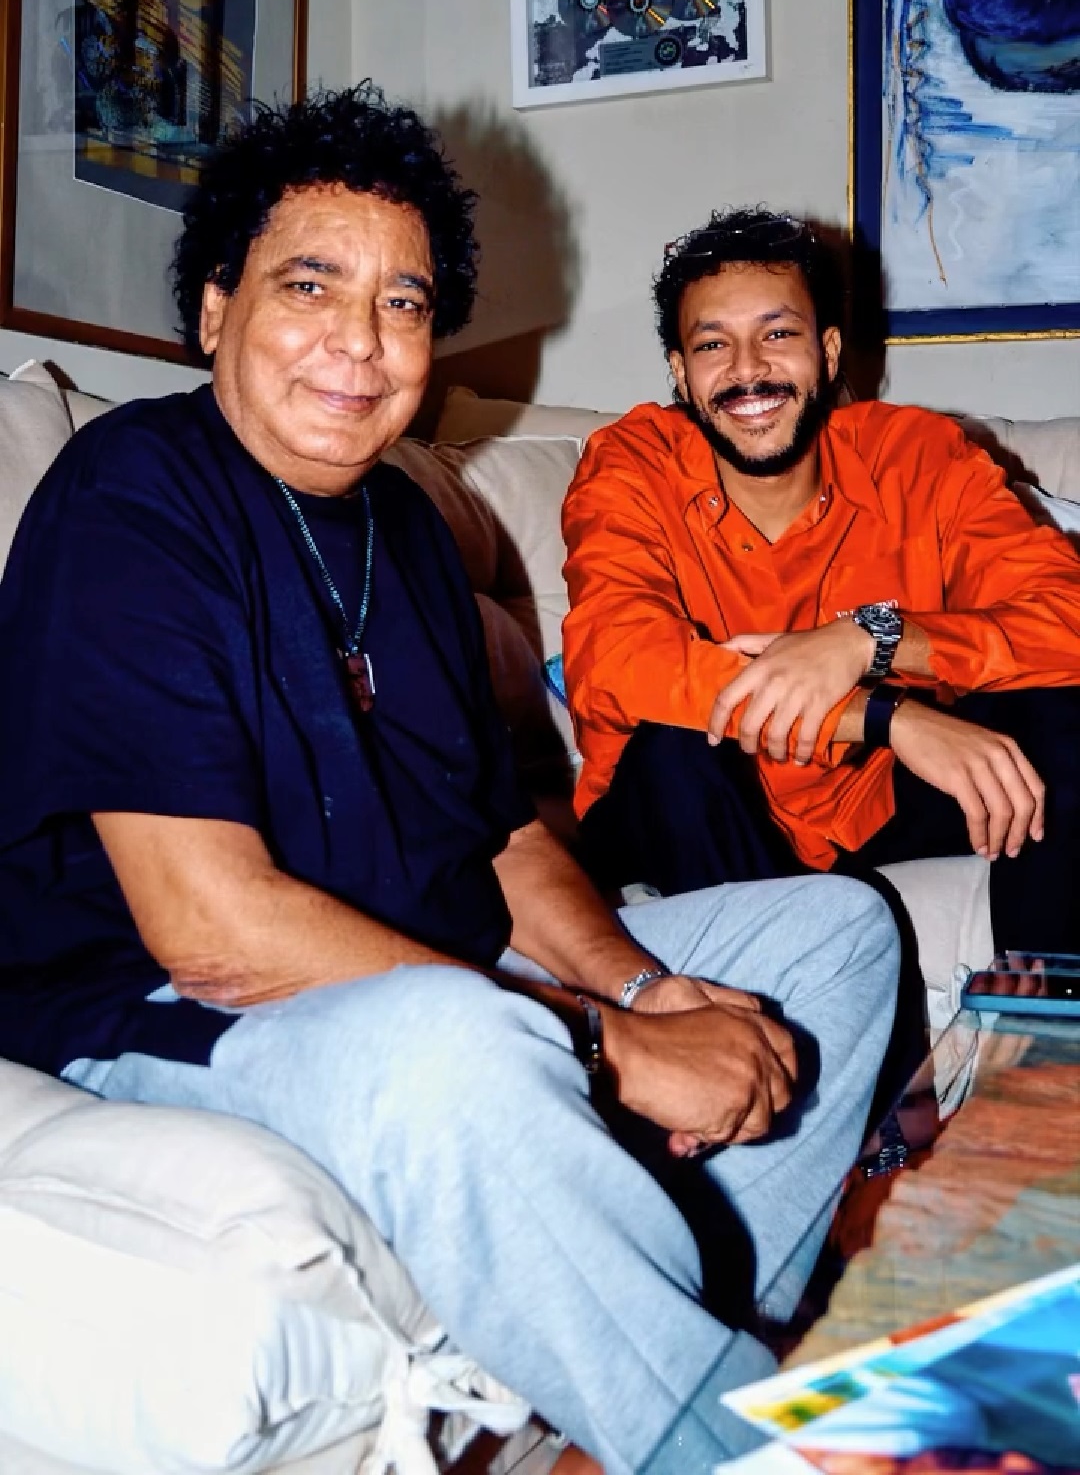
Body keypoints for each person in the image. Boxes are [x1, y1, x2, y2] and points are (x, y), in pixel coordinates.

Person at [0, 99, 900, 1475]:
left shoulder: (408, 530)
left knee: (839, 935)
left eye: (403, 303)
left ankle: (670, 1354)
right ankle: (740, 1443)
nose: (361, 342)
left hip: (412, 965)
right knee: (459, 1042)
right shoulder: (133, 493)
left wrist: (646, 988)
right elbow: (210, 930)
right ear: (216, 307)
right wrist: (606, 1045)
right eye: (311, 286)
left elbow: (504, 841)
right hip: (160, 1008)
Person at [562, 207, 1080, 962]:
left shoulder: (919, 457)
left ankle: (1039, 1023)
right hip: (693, 796)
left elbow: (1065, 616)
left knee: (1061, 708)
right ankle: (767, 1021)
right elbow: (616, 657)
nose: (747, 369)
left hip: (869, 793)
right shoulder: (631, 464)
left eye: (777, 334)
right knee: (673, 746)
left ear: (828, 352)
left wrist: (872, 638)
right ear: (680, 371)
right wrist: (882, 715)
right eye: (713, 344)